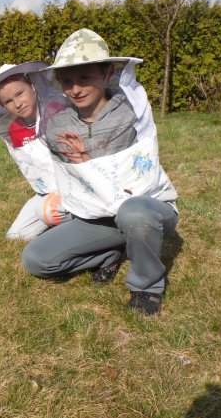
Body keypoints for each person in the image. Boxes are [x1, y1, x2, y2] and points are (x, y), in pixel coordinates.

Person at [22, 28, 179, 315]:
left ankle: (147, 288)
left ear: (107, 74)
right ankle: (109, 254)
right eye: (67, 81)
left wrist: (87, 156)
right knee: (36, 258)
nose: (76, 89)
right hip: (99, 216)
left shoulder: (131, 113)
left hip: (145, 208)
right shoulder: (58, 125)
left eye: (85, 78)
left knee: (134, 214)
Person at [0, 62, 67, 241]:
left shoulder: (57, 111)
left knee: (48, 212)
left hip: (74, 187)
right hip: (46, 192)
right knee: (16, 235)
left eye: (19, 93)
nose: (17, 104)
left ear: (33, 87)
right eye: (8, 101)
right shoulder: (13, 129)